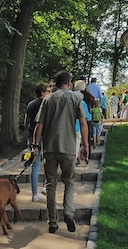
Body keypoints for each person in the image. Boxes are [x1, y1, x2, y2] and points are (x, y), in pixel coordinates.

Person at [33, 70, 89, 234]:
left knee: (51, 185)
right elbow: (84, 123)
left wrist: (35, 146)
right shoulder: (76, 98)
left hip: (50, 148)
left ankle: (52, 222)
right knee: (69, 182)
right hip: (69, 147)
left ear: (56, 84)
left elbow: (39, 126)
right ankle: (68, 213)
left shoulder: (48, 99)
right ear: (69, 83)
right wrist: (85, 146)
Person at [24, 82, 49, 202]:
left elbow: (26, 121)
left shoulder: (30, 104)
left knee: (35, 165)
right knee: (48, 162)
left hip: (31, 136)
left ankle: (34, 193)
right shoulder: (47, 104)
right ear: (43, 93)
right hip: (45, 135)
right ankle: (45, 187)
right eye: (47, 91)